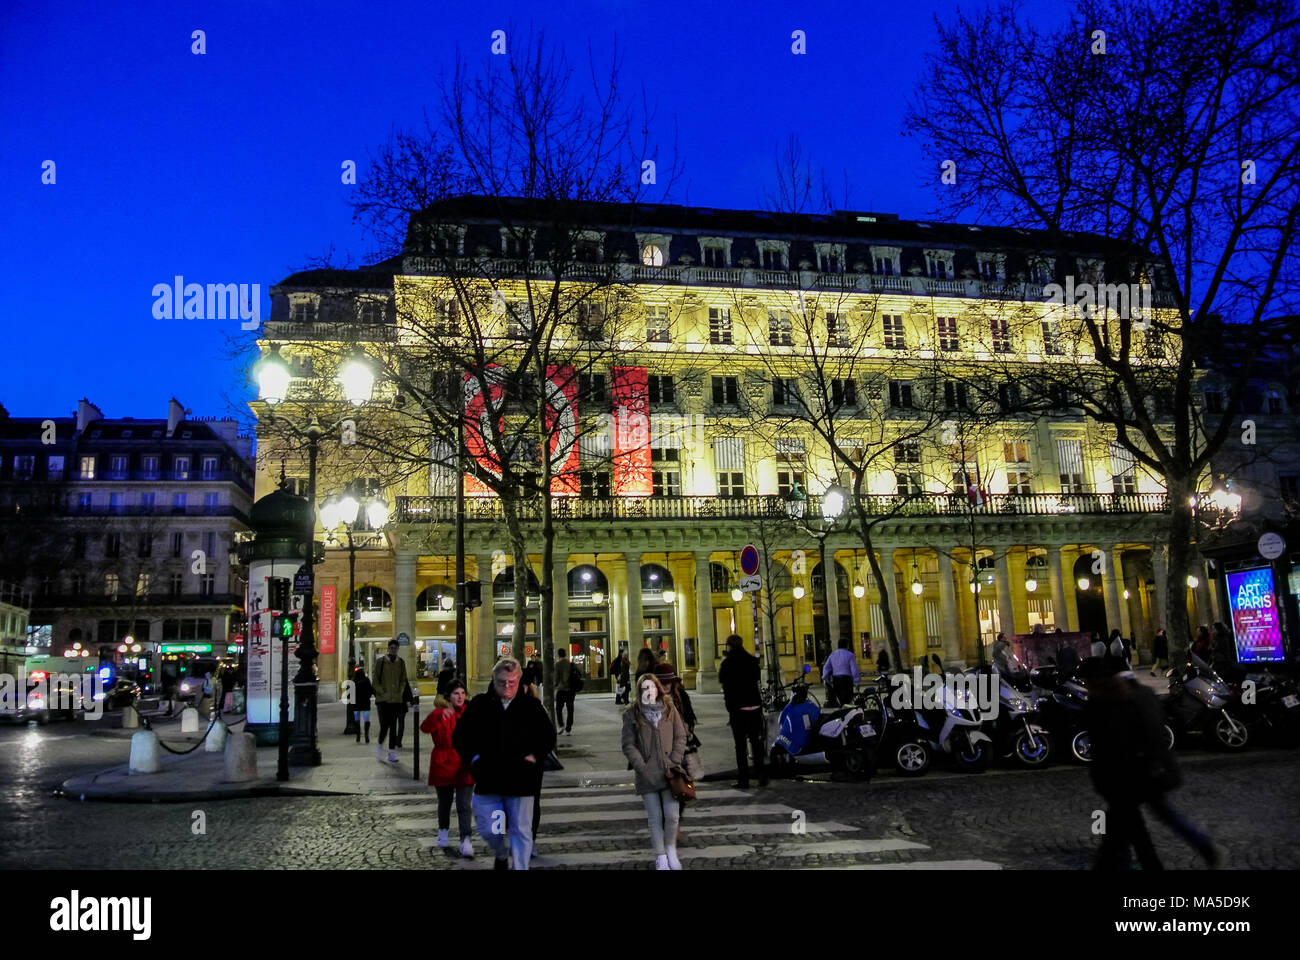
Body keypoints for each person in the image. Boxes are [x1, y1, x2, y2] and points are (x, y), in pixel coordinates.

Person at [1085, 653, 1222, 870]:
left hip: (1129, 776)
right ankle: (1203, 847)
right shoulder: (1141, 693)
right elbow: (1154, 734)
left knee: (1128, 829)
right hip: (1147, 769)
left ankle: (1201, 849)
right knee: (1153, 820)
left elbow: (1110, 743)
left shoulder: (1106, 699)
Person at [452, 658, 556, 871]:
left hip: (521, 784)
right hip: (491, 784)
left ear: (519, 681)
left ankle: (519, 866)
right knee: (492, 829)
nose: (507, 686)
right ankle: (500, 852)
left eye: (512, 682)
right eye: (502, 682)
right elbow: (461, 737)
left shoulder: (531, 706)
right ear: (494, 680)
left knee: (521, 830)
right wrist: (474, 759)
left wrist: (534, 756)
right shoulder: (481, 705)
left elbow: (547, 736)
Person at [621, 673, 689, 870]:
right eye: (644, 688)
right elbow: (627, 744)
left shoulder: (669, 709)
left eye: (652, 686)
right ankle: (660, 856)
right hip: (647, 774)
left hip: (670, 771)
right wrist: (641, 765)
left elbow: (680, 736)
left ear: (658, 688)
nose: (649, 690)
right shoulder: (632, 713)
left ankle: (670, 849)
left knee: (672, 814)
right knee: (655, 817)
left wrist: (675, 759)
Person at [419, 680, 475, 858]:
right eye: (456, 693)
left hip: (464, 764)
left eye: (462, 693)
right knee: (444, 803)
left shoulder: (469, 713)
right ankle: (443, 831)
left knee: (464, 805)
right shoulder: (439, 713)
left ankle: (465, 840)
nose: (460, 697)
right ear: (449, 696)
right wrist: (439, 716)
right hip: (443, 763)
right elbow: (424, 728)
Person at [718, 634, 765, 789]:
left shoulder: (728, 663)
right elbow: (757, 679)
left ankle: (744, 779)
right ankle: (761, 774)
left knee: (740, 745)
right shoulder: (752, 661)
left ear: (729, 646)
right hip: (754, 706)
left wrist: (730, 708)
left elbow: (725, 686)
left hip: (738, 709)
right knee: (756, 742)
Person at [372, 640, 407, 763]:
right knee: (384, 726)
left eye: (395, 648)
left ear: (398, 649)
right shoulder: (381, 662)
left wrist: (400, 691)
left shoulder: (401, 663)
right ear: (388, 648)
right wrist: (382, 692)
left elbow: (403, 679)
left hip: (396, 700)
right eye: (391, 648)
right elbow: (375, 680)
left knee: (393, 726)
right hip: (383, 700)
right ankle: (379, 747)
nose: (393, 650)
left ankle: (391, 753)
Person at [821, 636, 860, 707]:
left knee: (840, 700)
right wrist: (856, 681)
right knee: (848, 700)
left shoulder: (832, 655)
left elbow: (826, 668)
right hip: (847, 680)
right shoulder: (850, 655)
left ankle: (842, 712)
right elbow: (854, 669)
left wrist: (826, 679)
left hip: (836, 680)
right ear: (847, 645)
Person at [553, 647, 578, 735]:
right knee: (570, 708)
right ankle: (568, 728)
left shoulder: (558, 664)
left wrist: (555, 685)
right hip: (571, 690)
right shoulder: (570, 664)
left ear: (558, 654)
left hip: (561, 689)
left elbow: (556, 678)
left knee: (558, 708)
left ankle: (561, 725)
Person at [352, 663, 374, 743]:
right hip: (365, 702)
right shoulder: (366, 680)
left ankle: (358, 735)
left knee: (357, 719)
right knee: (366, 719)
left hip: (356, 703)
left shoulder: (354, 681)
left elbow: (350, 693)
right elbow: (371, 690)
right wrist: (368, 696)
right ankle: (366, 735)